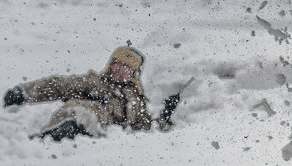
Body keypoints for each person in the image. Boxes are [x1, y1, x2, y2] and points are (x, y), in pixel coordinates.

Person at [3, 46, 176, 141]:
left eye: (126, 67)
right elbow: (57, 85)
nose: (119, 70)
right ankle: (52, 136)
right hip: (72, 116)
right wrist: (23, 93)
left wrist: (165, 116)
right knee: (80, 113)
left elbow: (145, 126)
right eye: (116, 64)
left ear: (133, 73)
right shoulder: (94, 82)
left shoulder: (135, 101)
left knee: (90, 119)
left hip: (97, 131)